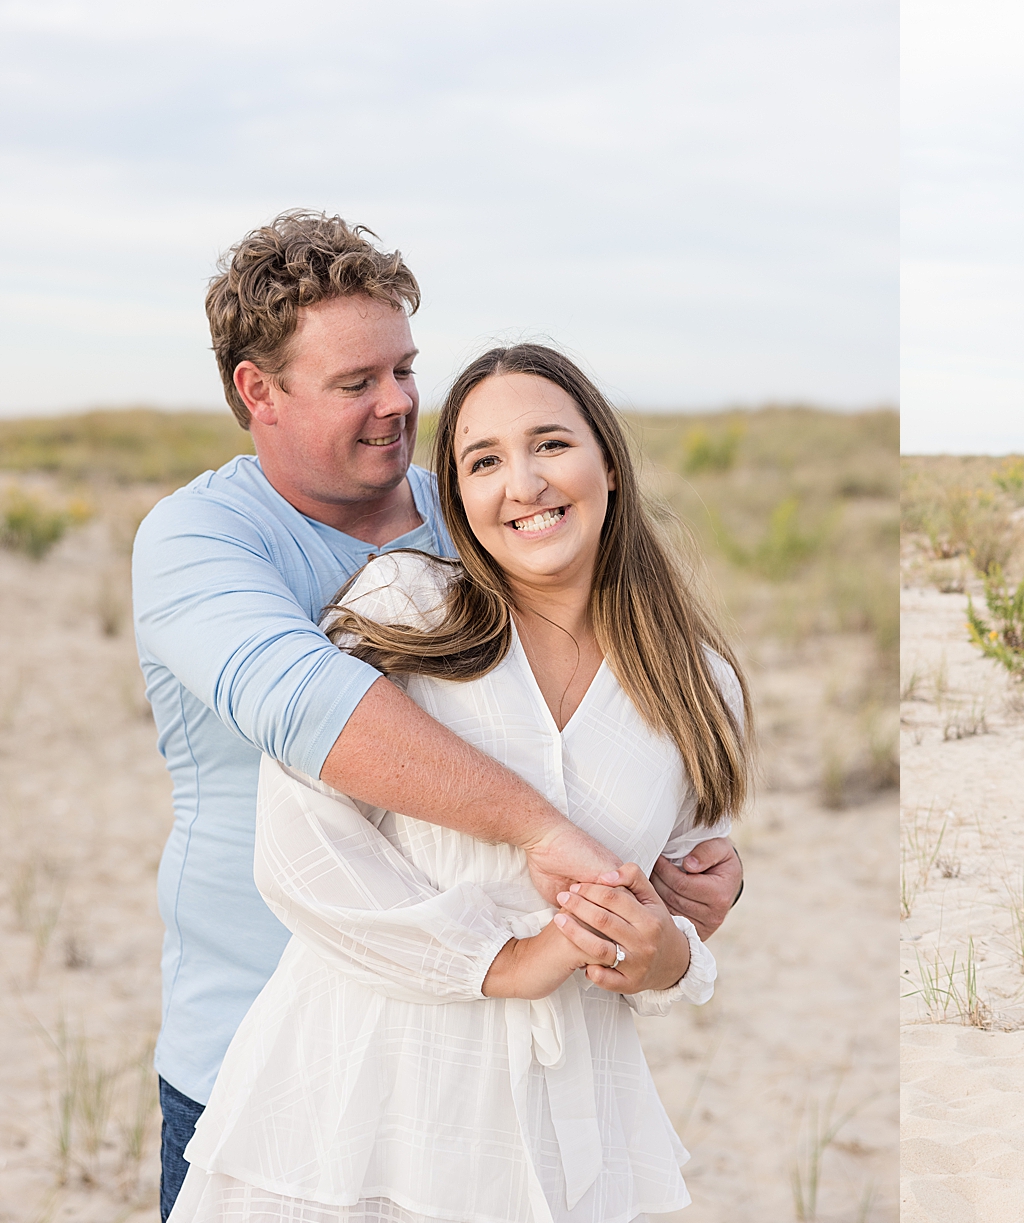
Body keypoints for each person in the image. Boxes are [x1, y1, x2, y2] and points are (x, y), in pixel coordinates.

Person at [133, 213, 742, 1220]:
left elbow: (594, 721)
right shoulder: (199, 538)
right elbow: (308, 706)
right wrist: (551, 834)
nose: (397, 403)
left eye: (405, 368)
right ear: (259, 391)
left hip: (496, 1084)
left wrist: (678, 875)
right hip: (266, 1044)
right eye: (356, 381)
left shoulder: (478, 513)